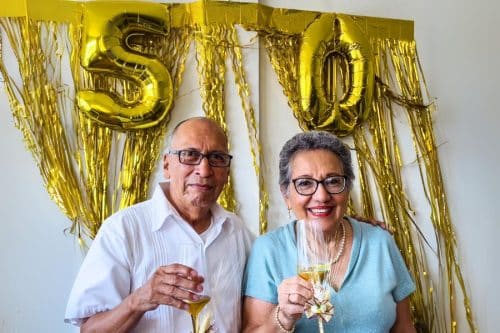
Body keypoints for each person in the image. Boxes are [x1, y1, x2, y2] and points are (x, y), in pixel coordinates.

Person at [65, 117, 254, 332]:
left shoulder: (238, 232)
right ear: (167, 165)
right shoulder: (123, 229)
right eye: (190, 155)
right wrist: (140, 300)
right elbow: (89, 330)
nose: (204, 170)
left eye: (217, 157)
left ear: (227, 172)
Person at [242, 131, 416, 332]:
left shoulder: (380, 241)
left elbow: (404, 326)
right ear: (286, 194)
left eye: (333, 181)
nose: (322, 196)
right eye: (305, 183)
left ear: (347, 188)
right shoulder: (268, 250)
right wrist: (283, 316)